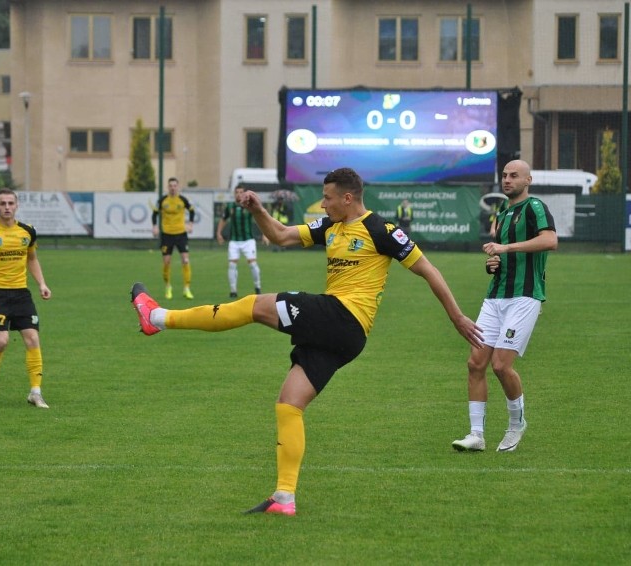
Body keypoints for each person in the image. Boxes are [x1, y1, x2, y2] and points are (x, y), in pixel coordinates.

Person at [131, 167, 483, 516]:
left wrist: (456, 316)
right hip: (346, 338)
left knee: (254, 305)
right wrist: (257, 209)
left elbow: (429, 270)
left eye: (328, 198)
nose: (323, 204)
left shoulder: (382, 230)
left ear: (348, 198)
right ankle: (284, 497)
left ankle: (158, 318)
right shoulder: (331, 225)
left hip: (343, 317)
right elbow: (281, 235)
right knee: (289, 404)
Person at [452, 160, 558, 453]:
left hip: (524, 297)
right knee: (475, 363)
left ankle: (516, 425)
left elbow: (550, 240)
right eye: (504, 175)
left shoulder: (535, 207)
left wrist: (506, 248)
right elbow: (500, 259)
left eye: (514, 176)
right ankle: (476, 435)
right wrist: (493, 264)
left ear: (528, 180)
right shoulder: (502, 213)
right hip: (495, 296)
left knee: (500, 365)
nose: (507, 180)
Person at [0, 188, 52, 408]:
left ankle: (35, 392)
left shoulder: (27, 231)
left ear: (16, 205)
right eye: (2, 203)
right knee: (1, 341)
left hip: (21, 293)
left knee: (33, 339)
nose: (6, 207)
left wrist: (42, 283)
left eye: (10, 203)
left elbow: (32, 258)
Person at [216, 184, 268, 297]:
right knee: (232, 265)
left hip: (248, 240)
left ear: (244, 194)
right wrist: (219, 233)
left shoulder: (249, 206)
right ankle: (233, 290)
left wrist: (264, 234)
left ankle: (257, 287)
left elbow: (260, 219)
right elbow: (223, 219)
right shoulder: (230, 207)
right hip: (234, 241)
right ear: (234, 194)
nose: (238, 194)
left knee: (253, 264)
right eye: (236, 192)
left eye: (241, 192)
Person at [152, 177, 196, 299]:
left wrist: (190, 224)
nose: (172, 187)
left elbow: (192, 210)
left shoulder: (182, 200)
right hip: (167, 235)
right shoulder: (162, 200)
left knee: (186, 260)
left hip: (181, 234)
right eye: (170, 185)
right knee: (166, 262)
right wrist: (155, 226)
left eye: (174, 185)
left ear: (178, 187)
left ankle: (186, 288)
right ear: (168, 187)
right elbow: (154, 213)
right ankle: (168, 287)